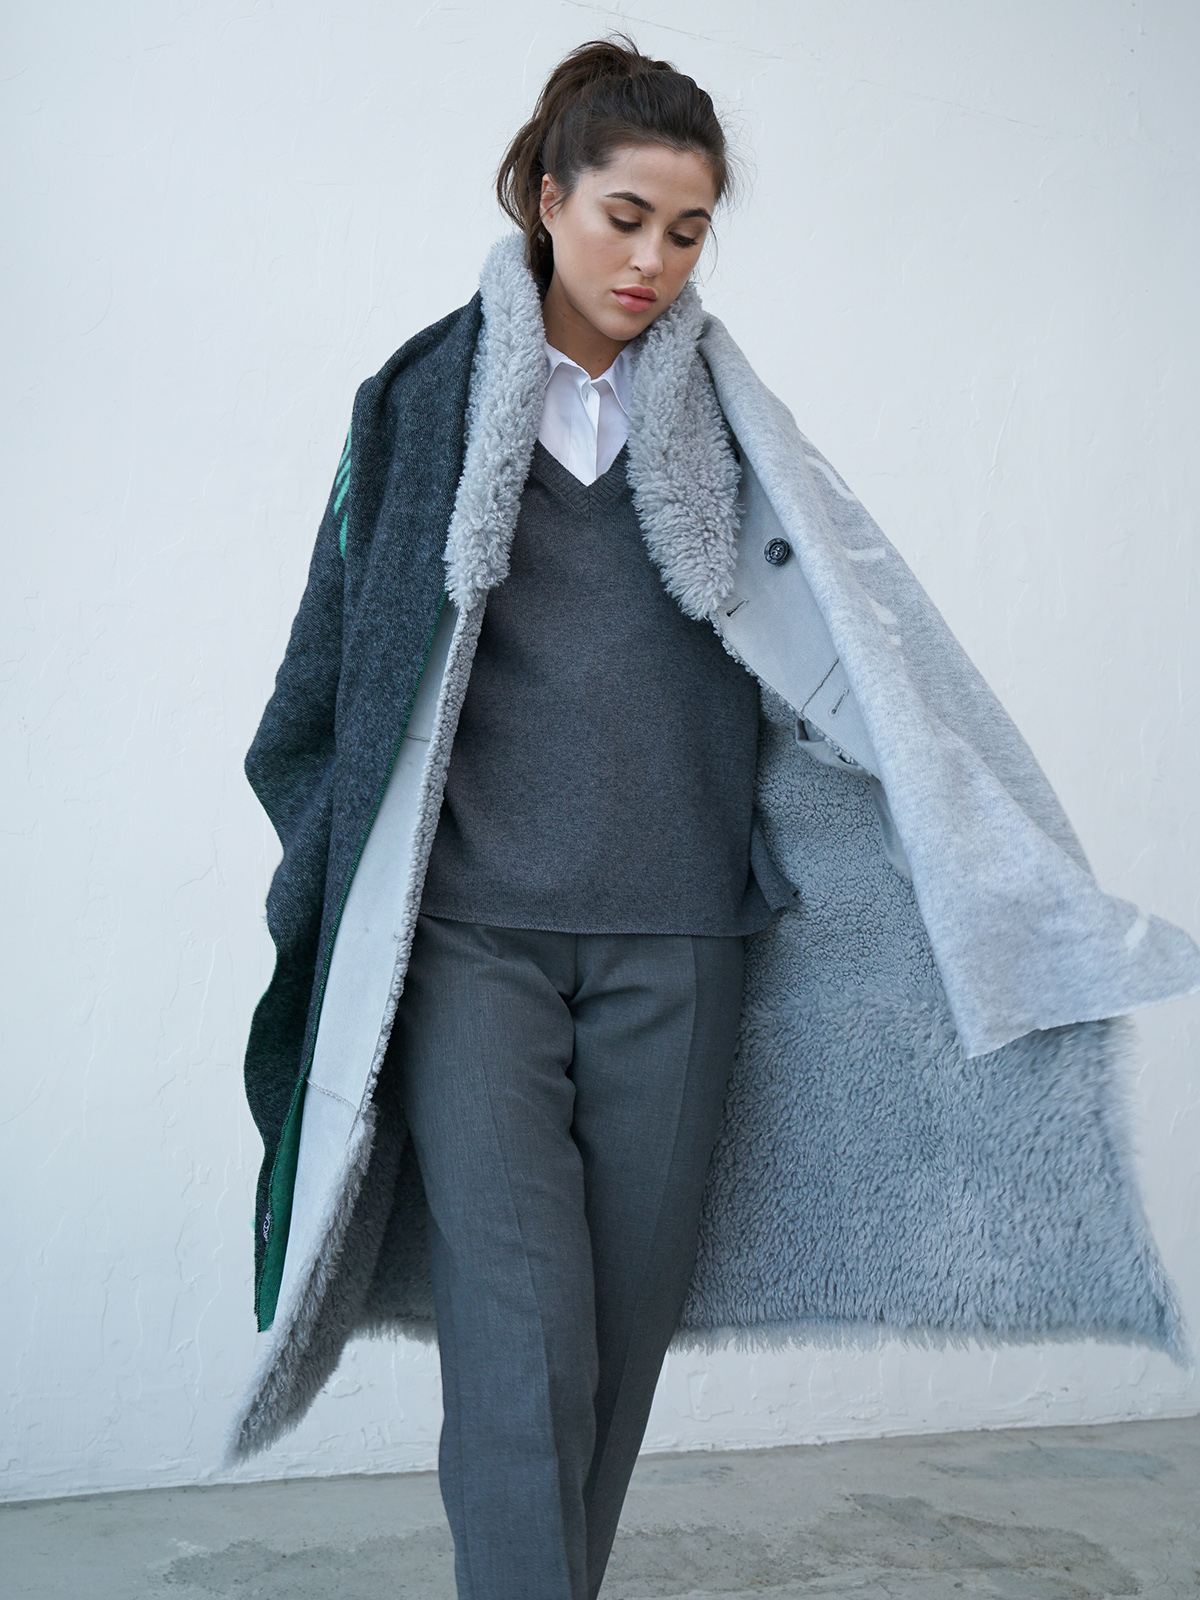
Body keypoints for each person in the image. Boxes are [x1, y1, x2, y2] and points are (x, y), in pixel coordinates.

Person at [226, 36, 1200, 1600]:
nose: (653, 262)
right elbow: (319, 694)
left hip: (683, 947)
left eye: (687, 232)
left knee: (613, 1349)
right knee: (524, 1340)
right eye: (625, 217)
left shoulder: (742, 437)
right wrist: (347, 880)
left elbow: (879, 669)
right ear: (548, 198)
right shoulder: (416, 408)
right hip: (471, 948)